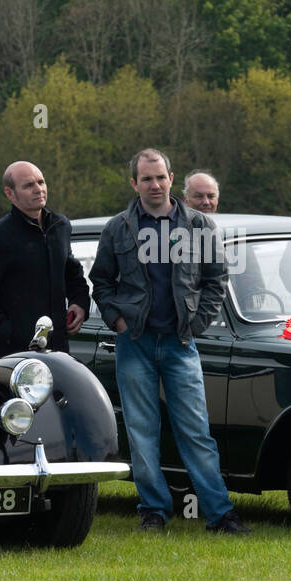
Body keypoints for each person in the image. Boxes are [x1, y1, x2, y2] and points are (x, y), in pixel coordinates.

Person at [89, 148, 250, 534]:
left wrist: (195, 326)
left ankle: (220, 514)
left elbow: (216, 280)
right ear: (134, 183)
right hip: (136, 344)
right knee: (142, 431)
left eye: (160, 177)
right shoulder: (118, 228)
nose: (155, 184)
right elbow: (102, 282)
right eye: (146, 179)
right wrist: (118, 322)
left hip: (181, 344)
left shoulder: (199, 226)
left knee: (195, 431)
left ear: (171, 178)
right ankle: (153, 511)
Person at [0, 161, 89, 358]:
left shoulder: (60, 226)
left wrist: (79, 303)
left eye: (41, 182)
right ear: (10, 193)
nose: (39, 189)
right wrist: (8, 334)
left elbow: (72, 273)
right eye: (29, 185)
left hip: (59, 351)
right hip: (15, 357)